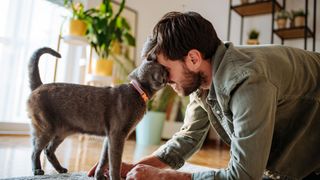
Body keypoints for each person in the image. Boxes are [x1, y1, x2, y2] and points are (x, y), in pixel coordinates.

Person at [88, 11, 320, 180]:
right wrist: (132, 167)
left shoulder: (248, 81)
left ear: (193, 58)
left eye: (166, 70)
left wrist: (161, 177)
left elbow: (244, 176)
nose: (163, 79)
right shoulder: (202, 80)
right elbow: (188, 138)